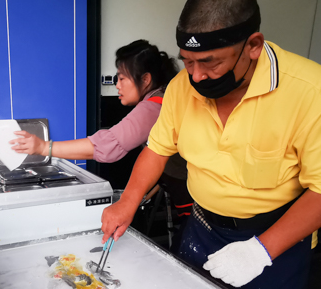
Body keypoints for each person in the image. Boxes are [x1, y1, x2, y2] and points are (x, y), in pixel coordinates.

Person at [101, 0, 321, 289]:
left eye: (210, 62)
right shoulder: (182, 89)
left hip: (274, 235)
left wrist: (261, 250)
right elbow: (156, 149)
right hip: (202, 225)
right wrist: (128, 202)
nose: (196, 76)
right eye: (187, 62)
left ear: (253, 45)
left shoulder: (312, 92)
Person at [11, 40, 193, 229]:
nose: (117, 85)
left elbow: (108, 145)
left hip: (190, 192)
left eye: (122, 78)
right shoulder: (162, 97)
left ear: (145, 79)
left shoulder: (153, 106)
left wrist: (43, 147)